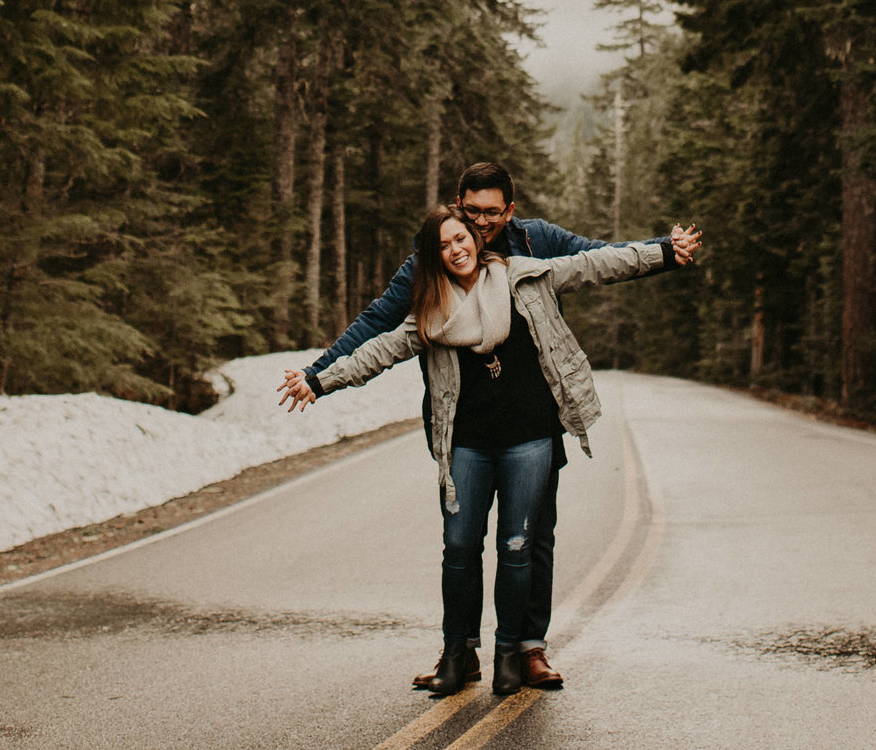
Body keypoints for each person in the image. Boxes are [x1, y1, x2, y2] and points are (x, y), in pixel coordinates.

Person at [281, 162, 700, 691]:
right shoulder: (427, 285)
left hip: (532, 429)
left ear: (509, 210)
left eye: (487, 217)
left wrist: (664, 249)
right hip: (465, 437)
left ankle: (524, 650)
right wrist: (318, 376)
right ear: (456, 208)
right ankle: (458, 653)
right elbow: (377, 333)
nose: (474, 230)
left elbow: (598, 259)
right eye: (467, 217)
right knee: (460, 545)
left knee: (527, 541)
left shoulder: (531, 257)